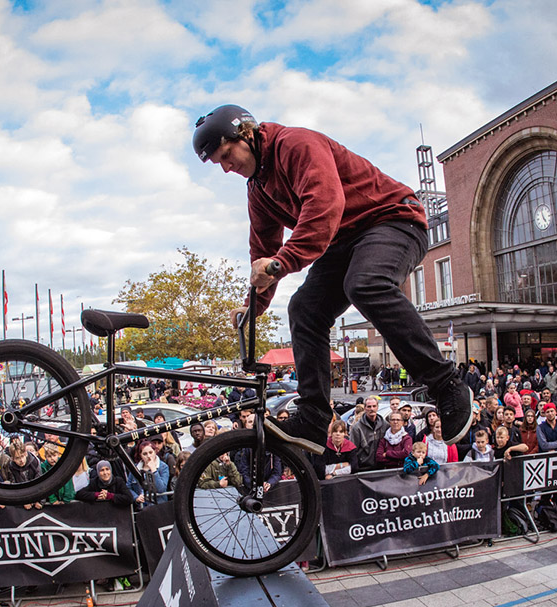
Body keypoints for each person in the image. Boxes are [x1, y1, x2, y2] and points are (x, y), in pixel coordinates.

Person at [195, 105, 472, 456]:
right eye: (218, 162)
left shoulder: (295, 145)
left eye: (226, 154)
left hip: (392, 219)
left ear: (245, 134)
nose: (226, 167)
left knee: (365, 283)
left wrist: (281, 264)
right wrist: (254, 306)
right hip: (342, 243)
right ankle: (312, 417)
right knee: (304, 308)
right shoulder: (258, 190)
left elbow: (324, 207)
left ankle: (447, 384)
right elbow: (263, 250)